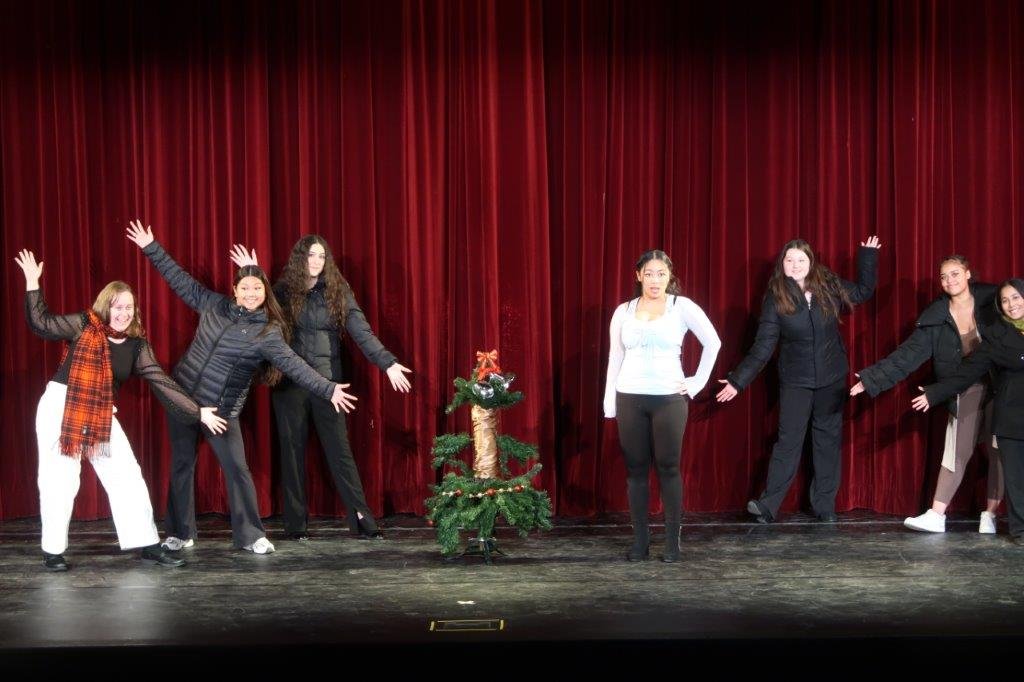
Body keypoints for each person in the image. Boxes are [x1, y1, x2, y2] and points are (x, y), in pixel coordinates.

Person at [126, 221, 356, 555]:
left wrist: (329, 389)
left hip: (221, 410)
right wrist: (151, 247)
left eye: (257, 289)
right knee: (181, 466)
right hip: (184, 400)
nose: (250, 293)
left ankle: (251, 535)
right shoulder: (213, 305)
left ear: (265, 294)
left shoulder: (269, 332)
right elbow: (179, 281)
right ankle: (179, 532)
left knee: (237, 470)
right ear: (234, 290)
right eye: (245, 287)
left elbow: (296, 365)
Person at [15, 248, 227, 571]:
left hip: (101, 411)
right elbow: (41, 323)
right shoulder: (84, 325)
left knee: (127, 474)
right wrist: (33, 283)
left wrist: (199, 412)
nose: (123, 313)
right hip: (61, 404)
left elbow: (164, 384)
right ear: (106, 306)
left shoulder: (137, 347)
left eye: (129, 307)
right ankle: (53, 550)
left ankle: (147, 544)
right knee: (60, 480)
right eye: (118, 306)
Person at [229, 237, 411, 540]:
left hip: (329, 385)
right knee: (291, 452)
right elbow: (259, 308)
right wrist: (252, 271)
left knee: (340, 453)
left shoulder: (339, 291)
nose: (316, 261)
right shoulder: (285, 291)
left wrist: (388, 363)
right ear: (300, 258)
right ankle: (296, 526)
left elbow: (361, 330)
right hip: (289, 383)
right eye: (311, 255)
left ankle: (363, 521)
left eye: (321, 256)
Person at [716, 236, 880, 523]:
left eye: (801, 260)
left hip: (831, 377)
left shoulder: (828, 285)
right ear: (782, 265)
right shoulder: (776, 297)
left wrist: (867, 256)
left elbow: (864, 291)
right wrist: (737, 380)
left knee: (827, 440)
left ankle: (824, 505)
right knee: (788, 440)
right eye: (789, 260)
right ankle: (768, 505)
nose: (795, 265)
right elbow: (763, 346)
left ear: (811, 262)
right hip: (796, 380)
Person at [851, 255, 1002, 533]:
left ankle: (990, 516)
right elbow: (907, 356)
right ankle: (936, 514)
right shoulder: (936, 317)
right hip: (962, 387)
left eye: (955, 274)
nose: (949, 281)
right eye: (944, 276)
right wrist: (872, 379)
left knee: (998, 450)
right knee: (956, 451)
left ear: (968, 274)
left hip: (1003, 386)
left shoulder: (994, 302)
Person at [603, 249, 721, 562]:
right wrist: (609, 402)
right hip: (630, 396)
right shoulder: (623, 311)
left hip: (669, 399)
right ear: (638, 275)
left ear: (670, 277)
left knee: (668, 468)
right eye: (650, 273)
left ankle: (672, 544)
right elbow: (616, 356)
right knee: (636, 471)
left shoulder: (681, 307)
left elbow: (714, 342)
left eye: (662, 274)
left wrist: (695, 383)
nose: (656, 280)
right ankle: (640, 542)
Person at [915, 279, 1024, 547]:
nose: (1012, 304)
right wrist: (935, 392)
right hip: (1012, 419)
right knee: (1017, 481)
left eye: (1016, 297)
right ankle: (1021, 532)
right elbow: (966, 373)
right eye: (1006, 300)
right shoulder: (995, 337)